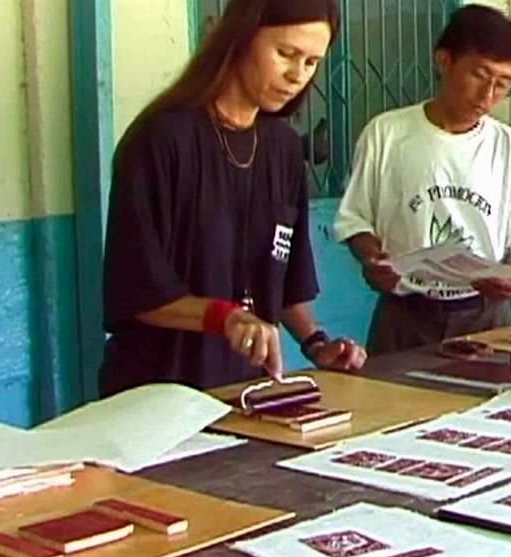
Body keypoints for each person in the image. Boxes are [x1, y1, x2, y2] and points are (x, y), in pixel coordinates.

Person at [100, 0, 367, 397]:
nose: (297, 75)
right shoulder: (161, 140)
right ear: (239, 39)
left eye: (311, 62)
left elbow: (282, 283)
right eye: (286, 54)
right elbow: (137, 290)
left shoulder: (283, 148)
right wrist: (224, 317)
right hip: (157, 393)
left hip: (246, 392)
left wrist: (316, 344)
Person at [334, 4, 511, 355]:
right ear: (445, 60)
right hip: (405, 315)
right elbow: (356, 218)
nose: (488, 96)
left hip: (487, 318)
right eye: (480, 75)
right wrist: (374, 261)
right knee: (395, 405)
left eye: (502, 85)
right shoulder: (387, 134)